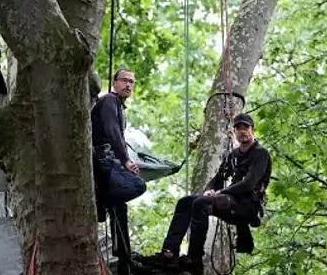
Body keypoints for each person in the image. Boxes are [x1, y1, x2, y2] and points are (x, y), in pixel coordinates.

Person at [139, 113, 272, 274]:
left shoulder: (261, 154)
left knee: (202, 204)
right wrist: (209, 189)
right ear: (234, 131)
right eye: (239, 128)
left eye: (246, 128)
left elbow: (248, 184)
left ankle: (194, 259)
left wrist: (220, 192)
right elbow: (217, 178)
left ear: (253, 130)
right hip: (230, 201)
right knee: (186, 202)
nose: (242, 132)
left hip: (246, 206)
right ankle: (169, 253)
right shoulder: (233, 155)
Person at [91, 68, 147, 275]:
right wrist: (125, 161)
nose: (128, 85)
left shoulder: (119, 107)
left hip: (107, 163)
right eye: (124, 80)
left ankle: (124, 258)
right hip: (100, 162)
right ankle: (102, 199)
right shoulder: (109, 101)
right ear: (114, 83)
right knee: (138, 185)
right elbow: (112, 131)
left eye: (132, 82)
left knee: (119, 205)